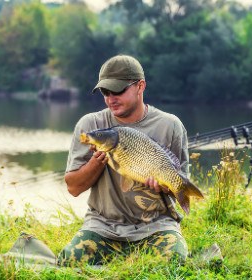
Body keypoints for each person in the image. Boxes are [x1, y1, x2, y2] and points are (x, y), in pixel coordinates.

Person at [57, 54, 190, 266]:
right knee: (70, 260)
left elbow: (179, 184)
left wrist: (163, 186)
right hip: (102, 225)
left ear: (140, 86)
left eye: (118, 90)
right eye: (105, 92)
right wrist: (97, 160)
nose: (111, 98)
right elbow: (73, 188)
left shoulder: (170, 125)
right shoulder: (91, 125)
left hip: (156, 226)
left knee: (175, 262)